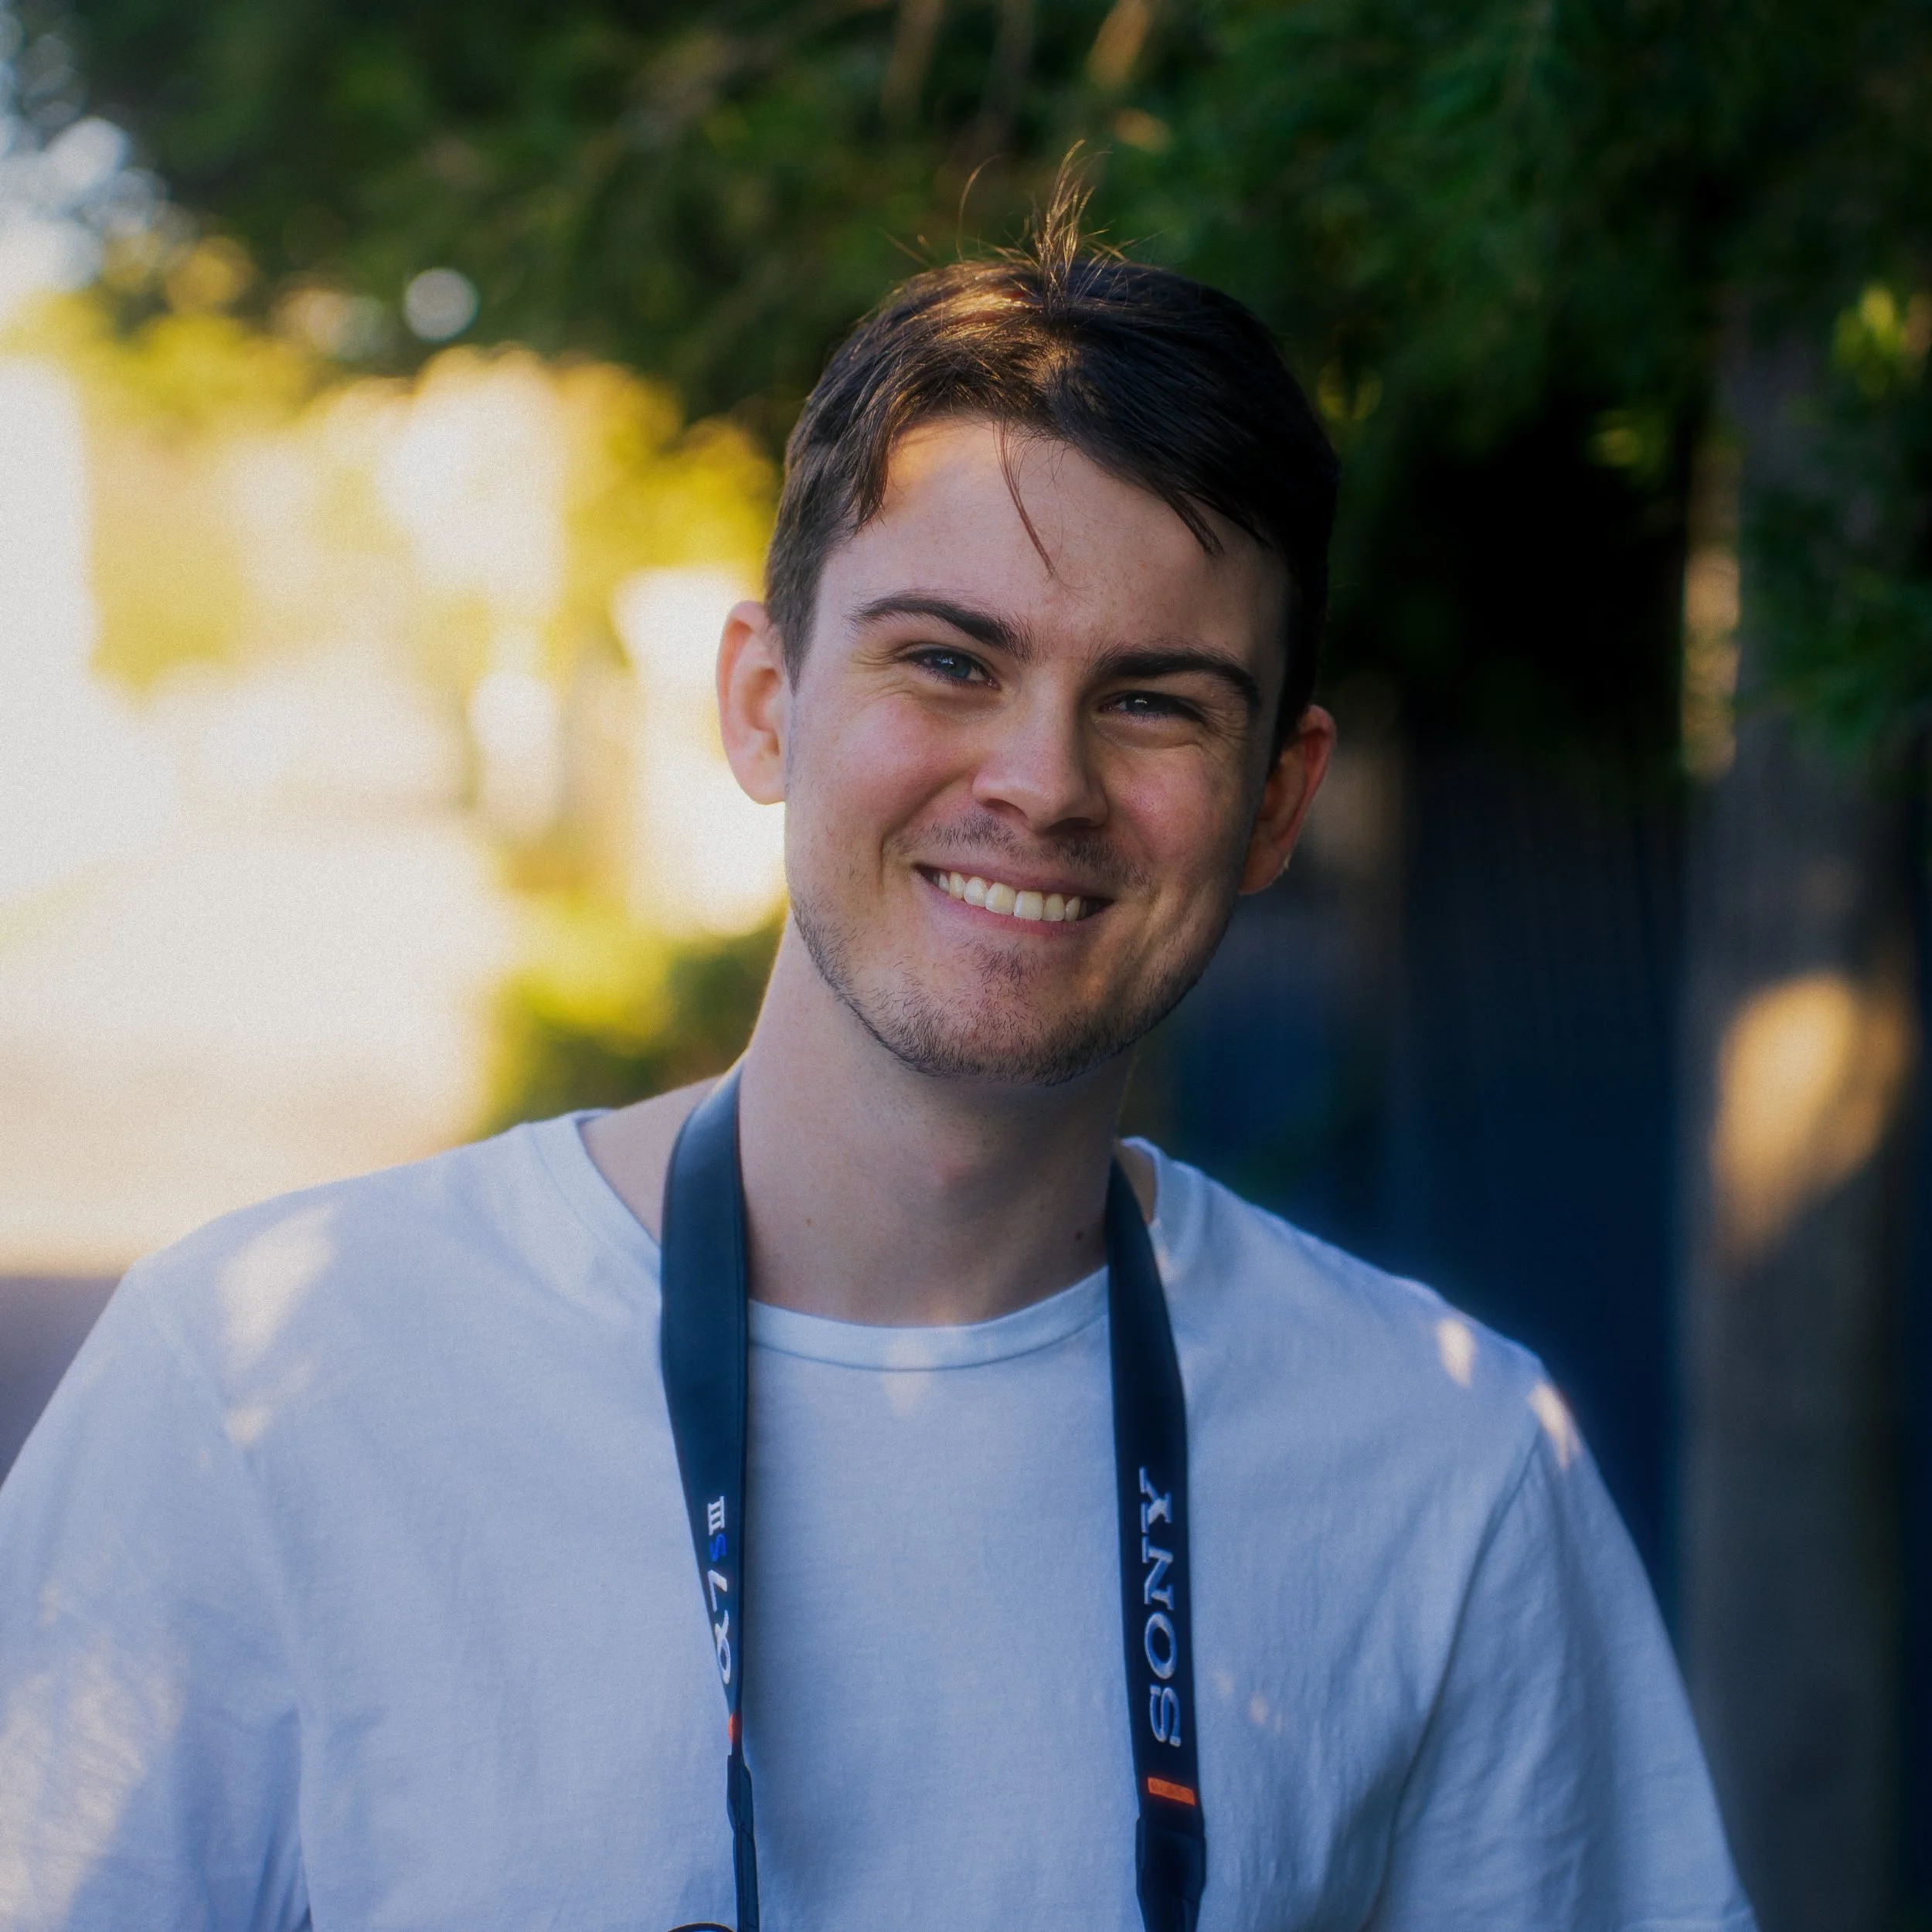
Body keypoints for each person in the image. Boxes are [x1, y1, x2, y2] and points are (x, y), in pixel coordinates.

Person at [0, 209, 1754, 1932]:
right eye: (947, 660)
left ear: (1278, 799)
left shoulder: (1442, 1464)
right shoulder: (267, 1383)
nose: (1040, 781)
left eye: (1154, 700)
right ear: (763, 701)